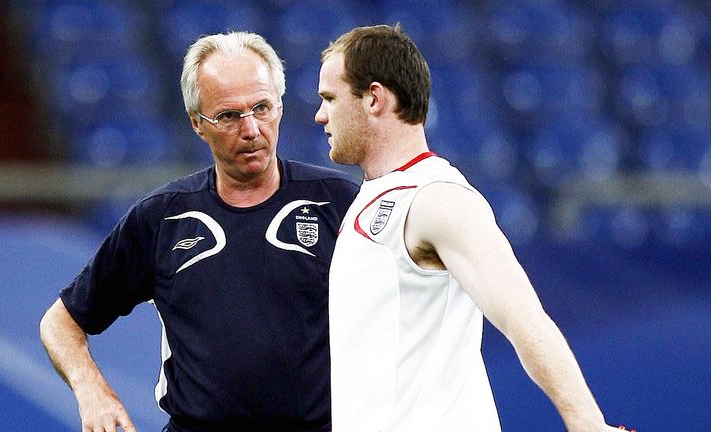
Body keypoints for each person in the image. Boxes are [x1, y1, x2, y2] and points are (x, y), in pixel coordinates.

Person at [315, 24, 632, 432]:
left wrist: (586, 423)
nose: (320, 114)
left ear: (374, 98)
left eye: (329, 98)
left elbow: (524, 319)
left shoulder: (437, 197)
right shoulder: (375, 196)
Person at [40, 31, 358, 432]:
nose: (252, 129)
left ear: (279, 105)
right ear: (196, 122)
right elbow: (59, 323)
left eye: (262, 107)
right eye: (228, 115)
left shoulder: (340, 203)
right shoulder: (162, 218)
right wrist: (92, 391)